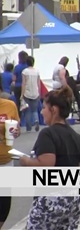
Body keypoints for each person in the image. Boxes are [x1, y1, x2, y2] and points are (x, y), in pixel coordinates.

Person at [20, 86, 80, 229]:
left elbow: (46, 164)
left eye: (44, 107)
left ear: (54, 110)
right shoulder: (77, 137)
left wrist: (26, 161)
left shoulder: (48, 134)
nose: (42, 111)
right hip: (74, 200)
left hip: (53, 199)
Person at [0, 92, 20, 228]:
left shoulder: (10, 105)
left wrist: (16, 132)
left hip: (5, 160)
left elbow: (16, 129)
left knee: (4, 201)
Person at [20, 56, 41, 132]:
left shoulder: (25, 71)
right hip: (35, 93)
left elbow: (24, 83)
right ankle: (36, 120)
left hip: (27, 93)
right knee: (34, 110)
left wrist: (22, 94)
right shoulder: (37, 71)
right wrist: (39, 92)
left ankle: (28, 127)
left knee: (27, 110)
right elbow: (39, 83)